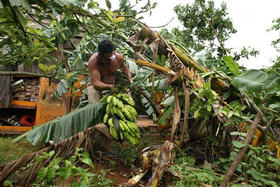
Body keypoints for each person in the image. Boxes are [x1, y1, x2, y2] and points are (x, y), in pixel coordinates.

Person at [87, 39, 132, 103]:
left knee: (128, 102)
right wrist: (110, 87)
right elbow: (95, 83)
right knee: (94, 106)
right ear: (100, 56)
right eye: (107, 59)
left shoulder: (118, 57)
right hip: (97, 85)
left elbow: (124, 68)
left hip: (115, 84)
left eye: (112, 56)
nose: (110, 60)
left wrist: (129, 78)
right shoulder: (94, 61)